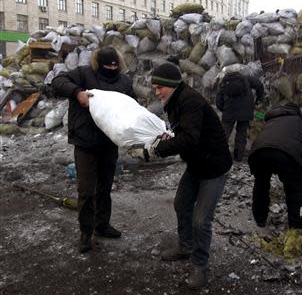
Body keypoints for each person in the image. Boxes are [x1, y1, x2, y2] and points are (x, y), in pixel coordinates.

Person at [131, 62, 232, 289]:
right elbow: (183, 132)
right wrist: (167, 138)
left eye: (159, 88)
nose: (156, 92)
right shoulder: (175, 100)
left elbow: (189, 138)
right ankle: (186, 246)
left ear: (171, 85)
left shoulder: (190, 101)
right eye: (154, 88)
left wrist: (153, 151)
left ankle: (200, 266)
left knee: (201, 220)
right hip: (197, 164)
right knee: (181, 204)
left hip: (214, 167)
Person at [52, 46, 136, 253]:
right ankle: (85, 233)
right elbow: (57, 82)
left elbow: (133, 105)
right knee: (87, 191)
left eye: (115, 66)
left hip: (109, 142)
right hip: (85, 142)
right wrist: (77, 92)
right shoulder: (83, 74)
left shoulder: (124, 81)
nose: (111, 69)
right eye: (107, 66)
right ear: (98, 64)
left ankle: (102, 225)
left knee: (105, 188)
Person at [248, 102, 302, 230]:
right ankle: (297, 223)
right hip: (287, 155)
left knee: (261, 184)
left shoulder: (272, 120)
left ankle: (260, 219)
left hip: (258, 152)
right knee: (296, 190)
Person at [215, 72, 264, 162]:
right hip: (246, 110)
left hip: (229, 110)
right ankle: (238, 157)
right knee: (241, 133)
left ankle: (218, 155)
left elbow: (218, 101)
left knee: (224, 133)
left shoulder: (223, 82)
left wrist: (224, 109)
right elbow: (259, 85)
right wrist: (259, 99)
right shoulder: (246, 78)